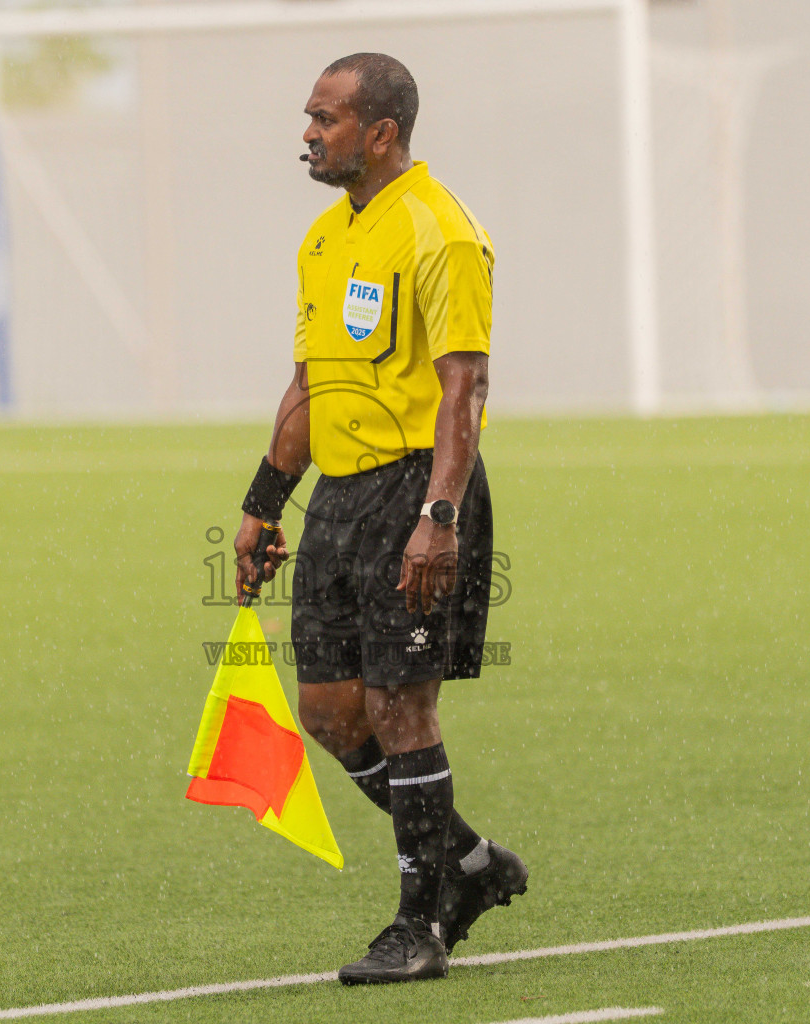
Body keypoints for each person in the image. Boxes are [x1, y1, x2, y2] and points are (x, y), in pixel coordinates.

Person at [232, 52, 526, 986]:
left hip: (416, 491)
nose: (309, 135)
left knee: (402, 707)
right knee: (329, 709)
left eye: (324, 118)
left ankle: (419, 927)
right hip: (340, 499)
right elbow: (308, 384)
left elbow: (462, 388)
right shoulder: (324, 238)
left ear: (382, 132)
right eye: (310, 119)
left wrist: (438, 516)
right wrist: (262, 504)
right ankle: (469, 865)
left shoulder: (443, 233)